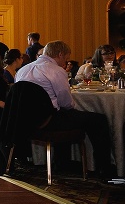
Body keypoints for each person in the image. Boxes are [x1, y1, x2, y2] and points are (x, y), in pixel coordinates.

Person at [14, 41, 114, 179]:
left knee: (65, 115)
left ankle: (62, 162)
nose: (66, 62)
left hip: (24, 121)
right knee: (98, 120)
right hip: (47, 121)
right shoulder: (56, 71)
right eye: (66, 58)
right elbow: (65, 102)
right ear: (60, 55)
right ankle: (104, 169)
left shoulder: (23, 70)